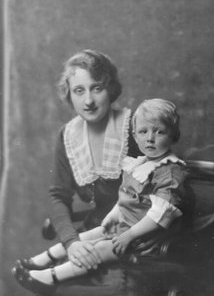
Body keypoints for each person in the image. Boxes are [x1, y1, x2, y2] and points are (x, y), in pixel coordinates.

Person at [12, 98, 191, 295]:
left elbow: (160, 215)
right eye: (143, 131)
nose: (150, 138)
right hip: (126, 227)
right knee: (90, 235)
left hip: (146, 240)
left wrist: (129, 235)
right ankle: (45, 259)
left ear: (174, 135)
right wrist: (114, 215)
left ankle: (50, 277)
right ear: (135, 135)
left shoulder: (170, 172)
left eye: (160, 131)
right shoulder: (138, 164)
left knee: (99, 250)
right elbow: (126, 196)